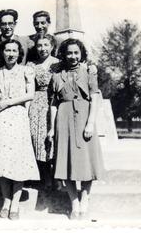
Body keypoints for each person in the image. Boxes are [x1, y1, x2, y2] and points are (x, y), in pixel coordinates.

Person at [49, 38, 105, 220]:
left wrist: (90, 123)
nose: (72, 56)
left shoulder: (89, 71)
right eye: (69, 53)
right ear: (63, 55)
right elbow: (54, 104)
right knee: (66, 163)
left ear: (81, 54)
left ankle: (85, 199)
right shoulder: (57, 75)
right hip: (63, 119)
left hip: (84, 118)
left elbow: (95, 98)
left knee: (87, 161)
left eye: (76, 53)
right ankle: (74, 202)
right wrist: (51, 128)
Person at [0, 39, 40, 220]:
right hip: (0, 118)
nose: (10, 54)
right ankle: (6, 200)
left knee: (17, 160)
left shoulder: (26, 71)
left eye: (14, 51)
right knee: (2, 160)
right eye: (7, 50)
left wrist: (7, 102)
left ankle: (16, 202)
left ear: (19, 53)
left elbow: (30, 94)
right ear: (2, 52)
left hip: (17, 116)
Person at [26, 34, 59, 190]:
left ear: (52, 46)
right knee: (37, 139)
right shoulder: (31, 64)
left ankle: (57, 176)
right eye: (39, 45)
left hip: (54, 102)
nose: (42, 48)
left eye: (46, 45)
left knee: (54, 139)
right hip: (36, 103)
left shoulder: (58, 63)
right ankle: (42, 176)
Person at [0, 9, 31, 75]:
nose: (7, 27)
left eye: (10, 23)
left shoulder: (24, 42)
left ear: (15, 24)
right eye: (4, 24)